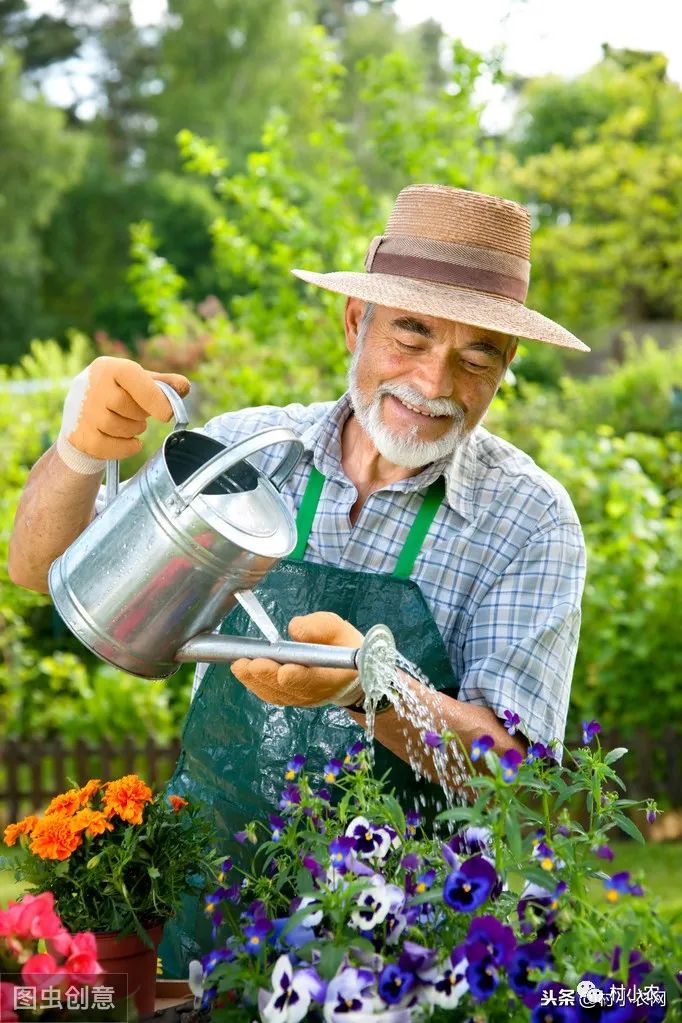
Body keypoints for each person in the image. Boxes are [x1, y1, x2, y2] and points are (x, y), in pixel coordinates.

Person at [8, 184, 588, 972]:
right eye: (410, 336)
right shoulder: (247, 453)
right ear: (357, 322)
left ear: (505, 367)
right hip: (208, 895)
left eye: (475, 355)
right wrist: (81, 450)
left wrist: (368, 688)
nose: (433, 381)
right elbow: (43, 571)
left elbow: (517, 781)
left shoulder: (528, 520)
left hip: (396, 932)